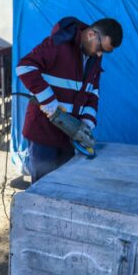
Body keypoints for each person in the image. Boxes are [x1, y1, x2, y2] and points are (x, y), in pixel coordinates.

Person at [15, 16, 122, 181]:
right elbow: (25, 67)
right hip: (43, 134)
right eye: (101, 48)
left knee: (64, 186)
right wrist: (49, 102)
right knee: (43, 188)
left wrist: (86, 124)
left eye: (105, 52)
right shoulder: (59, 43)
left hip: (68, 137)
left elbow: (93, 92)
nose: (100, 54)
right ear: (91, 34)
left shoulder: (94, 58)